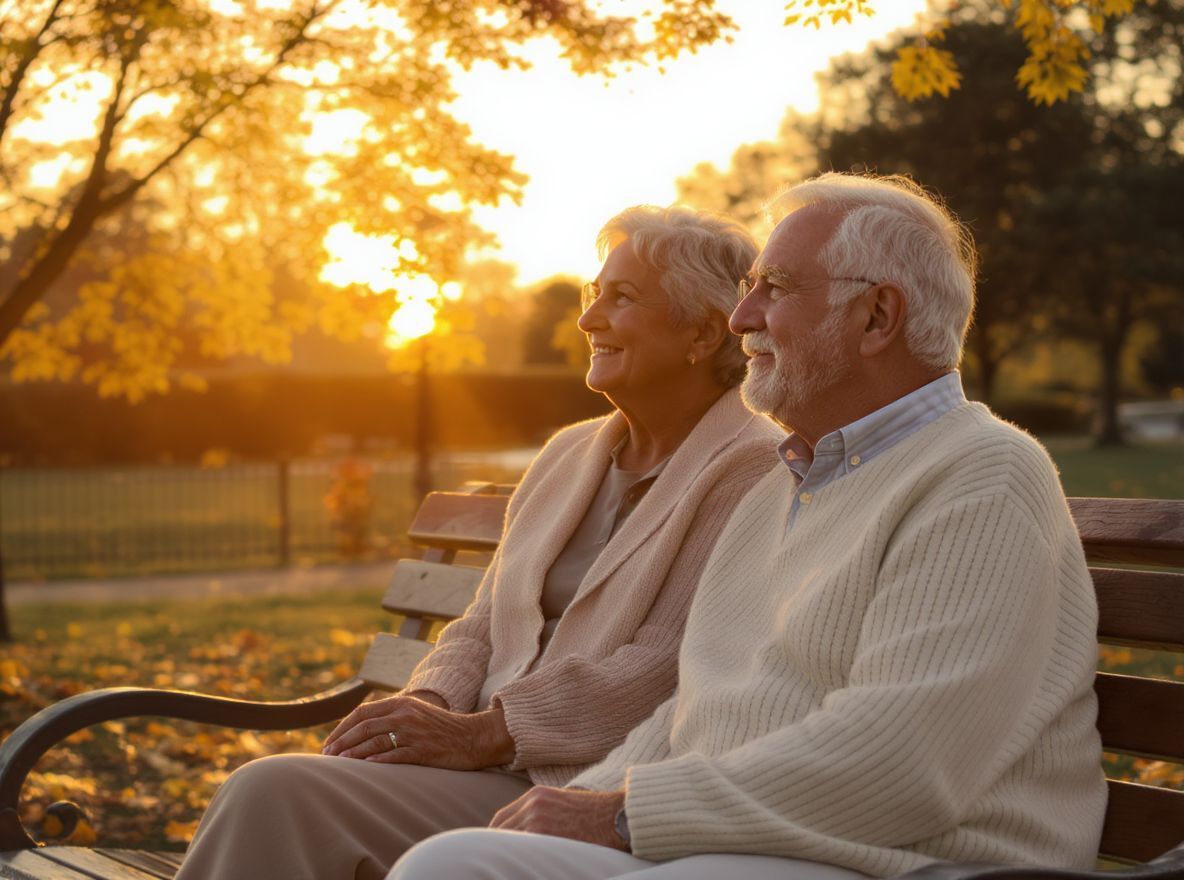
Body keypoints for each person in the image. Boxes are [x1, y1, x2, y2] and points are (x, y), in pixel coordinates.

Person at [387, 172, 1109, 880]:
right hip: (741, 842)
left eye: (776, 289)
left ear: (877, 317)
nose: (741, 319)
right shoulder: (786, 484)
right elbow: (694, 710)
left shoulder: (983, 475)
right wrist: (583, 801)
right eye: (748, 288)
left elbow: (901, 763)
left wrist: (625, 815)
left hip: (915, 859)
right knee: (452, 863)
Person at [174, 205, 782, 880]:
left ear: (702, 332)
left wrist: (483, 734)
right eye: (593, 293)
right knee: (274, 789)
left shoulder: (753, 466)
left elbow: (669, 667)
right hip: (480, 762)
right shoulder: (569, 455)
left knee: (275, 794)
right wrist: (429, 706)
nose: (588, 319)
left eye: (622, 297)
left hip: (584, 788)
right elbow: (482, 622)